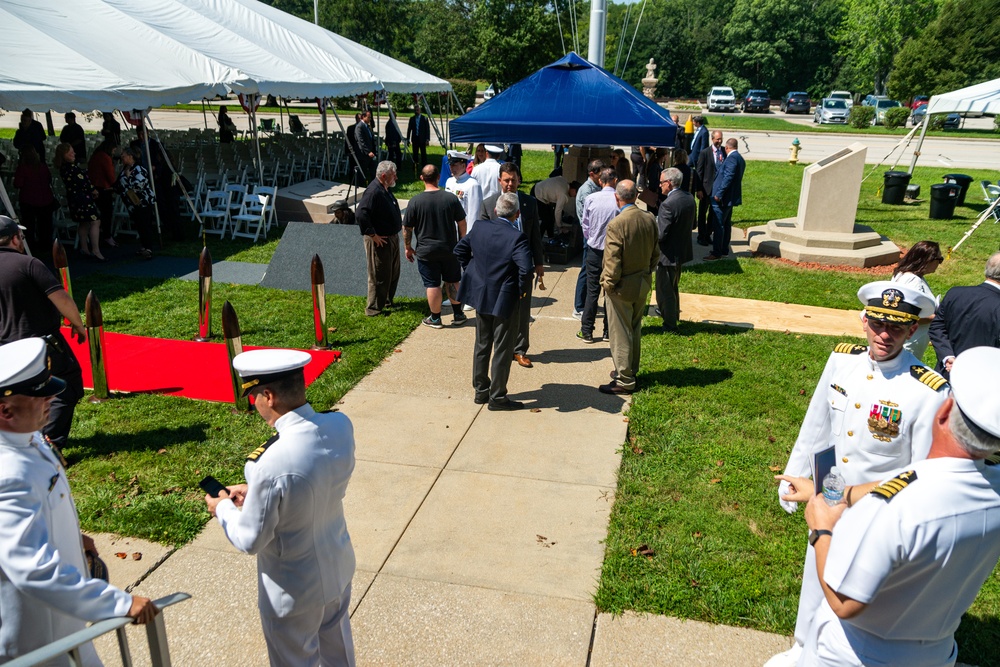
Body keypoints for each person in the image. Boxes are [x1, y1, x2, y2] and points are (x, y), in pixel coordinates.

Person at [781, 346, 1000, 667]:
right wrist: (836, 493)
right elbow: (908, 481)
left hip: (858, 656)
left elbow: (844, 602)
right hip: (936, 652)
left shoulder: (894, 509)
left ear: (943, 412)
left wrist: (821, 529)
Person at [765, 280, 947, 667]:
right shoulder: (842, 360)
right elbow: (818, 424)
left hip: (877, 510)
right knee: (815, 574)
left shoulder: (927, 391)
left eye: (897, 327)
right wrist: (797, 474)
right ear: (864, 320)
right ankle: (803, 647)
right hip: (827, 492)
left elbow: (921, 472)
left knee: (857, 591)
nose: (885, 334)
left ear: (912, 330)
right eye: (878, 323)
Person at [0, 339, 158, 665]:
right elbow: (33, 568)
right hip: (39, 640)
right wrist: (117, 604)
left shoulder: (26, 438)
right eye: (39, 394)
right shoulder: (7, 472)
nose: (51, 398)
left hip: (62, 624)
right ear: (5, 410)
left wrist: (72, 535)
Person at [205, 348, 357, 667]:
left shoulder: (267, 463)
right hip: (338, 564)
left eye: (254, 395)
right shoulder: (340, 425)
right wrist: (261, 493)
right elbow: (318, 477)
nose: (255, 403)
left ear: (269, 396)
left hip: (293, 589)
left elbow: (250, 540)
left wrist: (222, 509)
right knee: (338, 653)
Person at [0, 216, 87, 455]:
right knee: (66, 385)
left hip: (4, 348)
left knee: (14, 396)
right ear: (15, 238)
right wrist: (78, 325)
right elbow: (60, 297)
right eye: (21, 236)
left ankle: (20, 439)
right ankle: (51, 443)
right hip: (39, 344)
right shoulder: (29, 264)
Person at [454, 192, 532, 411]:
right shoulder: (517, 237)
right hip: (504, 299)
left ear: (496, 211)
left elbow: (459, 249)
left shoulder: (479, 227)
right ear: (516, 214)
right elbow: (526, 270)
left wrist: (472, 272)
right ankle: (497, 397)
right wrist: (519, 291)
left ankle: (481, 391)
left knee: (482, 343)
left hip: (481, 295)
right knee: (503, 348)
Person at [481, 164, 544, 368]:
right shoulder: (489, 203)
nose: (510, 184)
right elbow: (482, 238)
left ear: (519, 180)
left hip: (522, 269)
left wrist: (539, 263)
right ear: (500, 180)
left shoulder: (529, 203)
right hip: (498, 270)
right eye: (506, 180)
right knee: (498, 309)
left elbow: (535, 235)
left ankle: (519, 349)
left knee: (522, 310)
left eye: (513, 180)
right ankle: (502, 348)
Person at [599, 180, 659, 395]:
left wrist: (608, 284)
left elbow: (612, 261)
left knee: (620, 334)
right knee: (634, 328)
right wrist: (646, 271)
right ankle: (630, 370)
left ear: (617, 198)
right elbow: (655, 253)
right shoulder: (649, 218)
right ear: (635, 196)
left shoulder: (617, 224)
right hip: (642, 282)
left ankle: (624, 379)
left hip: (622, 287)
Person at [403, 164, 468, 329]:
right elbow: (462, 222)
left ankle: (435, 318)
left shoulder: (415, 201)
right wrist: (462, 241)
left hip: (426, 251)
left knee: (432, 284)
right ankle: (458, 314)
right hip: (450, 249)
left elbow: (407, 228)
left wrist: (408, 247)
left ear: (421, 178)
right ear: (439, 177)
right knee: (453, 280)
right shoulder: (451, 198)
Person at [928, 251, 1000, 378]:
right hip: (984, 381)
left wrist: (947, 356)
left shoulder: (955, 293)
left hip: (946, 375)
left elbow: (936, 327)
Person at [356, 161, 403, 317]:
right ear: (384, 176)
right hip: (380, 239)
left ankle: (387, 300)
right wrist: (372, 235)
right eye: (393, 174)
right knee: (379, 274)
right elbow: (361, 214)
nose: (396, 176)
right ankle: (374, 308)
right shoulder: (373, 191)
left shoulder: (385, 189)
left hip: (391, 237)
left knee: (392, 272)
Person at [578, 168, 619, 343]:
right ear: (615, 180)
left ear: (601, 182)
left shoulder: (591, 199)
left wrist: (593, 238)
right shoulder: (619, 199)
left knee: (592, 291)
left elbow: (585, 225)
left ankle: (586, 330)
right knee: (610, 291)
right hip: (613, 252)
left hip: (594, 250)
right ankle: (608, 331)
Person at [654, 167, 695, 332]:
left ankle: (669, 324)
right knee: (673, 286)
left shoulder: (668, 204)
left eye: (662, 182)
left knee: (665, 290)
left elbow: (660, 235)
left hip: (667, 255)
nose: (660, 185)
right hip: (680, 251)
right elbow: (693, 225)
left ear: (669, 183)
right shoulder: (689, 198)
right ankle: (673, 315)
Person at [890, 240, 943, 361]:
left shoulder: (905, 274)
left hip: (909, 340)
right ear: (928, 260)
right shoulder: (912, 281)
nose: (939, 264)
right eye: (939, 259)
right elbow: (906, 315)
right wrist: (937, 317)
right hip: (908, 343)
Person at [54, 143, 105, 261]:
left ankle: (84, 248)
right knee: (95, 221)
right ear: (64, 155)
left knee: (84, 223)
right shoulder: (71, 168)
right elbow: (83, 182)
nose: (74, 154)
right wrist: (93, 190)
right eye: (70, 152)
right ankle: (96, 250)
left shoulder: (64, 168)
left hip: (75, 199)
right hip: (82, 199)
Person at [573, 159, 605, 319]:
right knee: (586, 271)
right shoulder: (586, 191)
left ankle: (586, 302)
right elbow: (587, 218)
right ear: (592, 173)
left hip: (594, 236)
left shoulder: (597, 188)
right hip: (589, 237)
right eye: (600, 173)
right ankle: (578, 307)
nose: (602, 176)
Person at [113, 147, 158, 260]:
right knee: (139, 224)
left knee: (145, 225)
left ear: (130, 156)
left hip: (143, 202)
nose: (121, 158)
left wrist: (128, 178)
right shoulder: (125, 169)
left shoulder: (139, 169)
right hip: (132, 203)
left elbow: (138, 186)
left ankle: (148, 248)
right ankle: (143, 246)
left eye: (123, 156)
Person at [707, 137, 745, 261]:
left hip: (723, 199)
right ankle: (724, 250)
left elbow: (728, 177)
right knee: (726, 224)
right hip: (729, 199)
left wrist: (719, 194)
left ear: (727, 148)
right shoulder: (740, 158)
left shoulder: (732, 158)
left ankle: (717, 252)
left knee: (718, 225)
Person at [13, 145, 56, 254]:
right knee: (45, 225)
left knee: (28, 225)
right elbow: (49, 179)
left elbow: (18, 183)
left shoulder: (22, 168)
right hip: (45, 198)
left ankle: (29, 246)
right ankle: (46, 245)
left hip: (28, 199)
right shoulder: (43, 166)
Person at [693, 130, 724, 247]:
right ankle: (701, 236)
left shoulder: (724, 152)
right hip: (706, 189)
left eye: (721, 139)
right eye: (717, 139)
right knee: (702, 213)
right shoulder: (705, 153)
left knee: (713, 213)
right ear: (712, 139)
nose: (719, 141)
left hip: (718, 189)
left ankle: (708, 234)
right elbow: (699, 172)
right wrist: (698, 189)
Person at [88, 138, 118, 249]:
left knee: (100, 212)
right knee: (107, 213)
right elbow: (110, 175)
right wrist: (115, 185)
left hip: (94, 186)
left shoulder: (95, 156)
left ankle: (101, 234)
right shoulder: (105, 158)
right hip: (103, 187)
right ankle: (107, 235)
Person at [444, 150, 483, 234]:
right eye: (450, 165)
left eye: (454, 165)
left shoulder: (472, 185)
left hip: (463, 231)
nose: (451, 168)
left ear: (463, 165)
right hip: (449, 230)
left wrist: (468, 238)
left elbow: (474, 214)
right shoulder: (449, 181)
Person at [531, 174, 579, 239]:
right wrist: (560, 226)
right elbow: (558, 211)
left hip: (539, 187)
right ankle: (537, 240)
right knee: (546, 220)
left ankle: (551, 237)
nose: (574, 196)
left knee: (550, 219)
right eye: (575, 194)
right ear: (573, 189)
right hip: (537, 194)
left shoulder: (563, 180)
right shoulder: (563, 195)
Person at [354, 110, 376, 180]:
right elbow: (361, 141)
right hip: (363, 154)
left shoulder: (367, 126)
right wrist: (368, 152)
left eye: (370, 117)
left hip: (370, 154)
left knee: (373, 171)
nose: (370, 119)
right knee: (363, 173)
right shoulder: (359, 127)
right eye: (369, 117)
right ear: (363, 117)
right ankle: (361, 186)